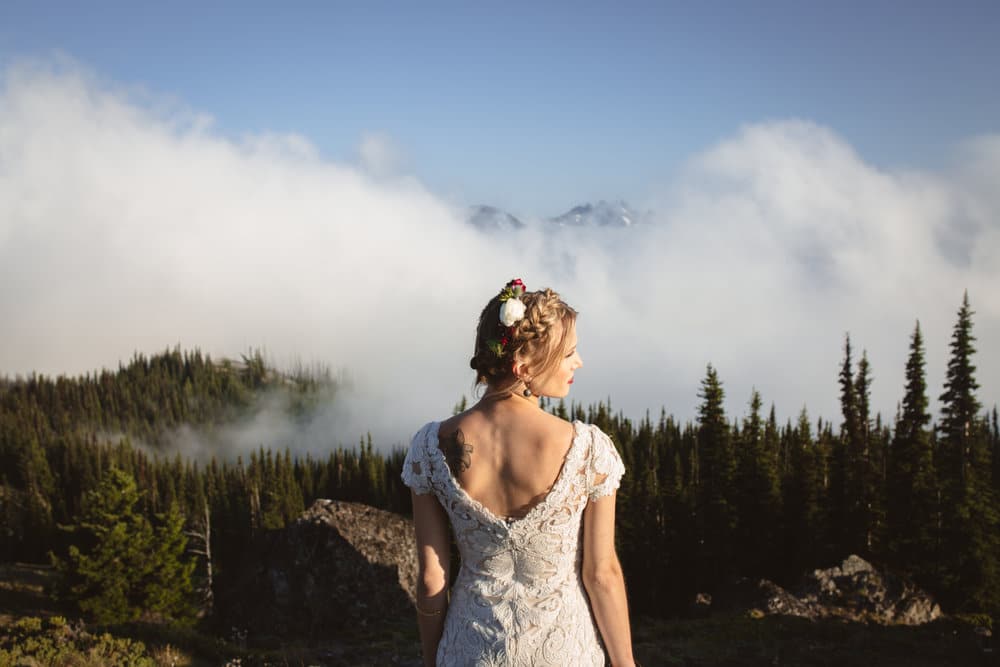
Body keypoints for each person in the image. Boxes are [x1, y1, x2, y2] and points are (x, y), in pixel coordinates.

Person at [402, 278, 636, 666]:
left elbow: (431, 578)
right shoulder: (588, 450)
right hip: (564, 653)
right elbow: (602, 575)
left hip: (470, 651)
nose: (578, 363)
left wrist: (433, 659)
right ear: (522, 366)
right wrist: (626, 663)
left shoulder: (430, 447)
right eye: (568, 354)